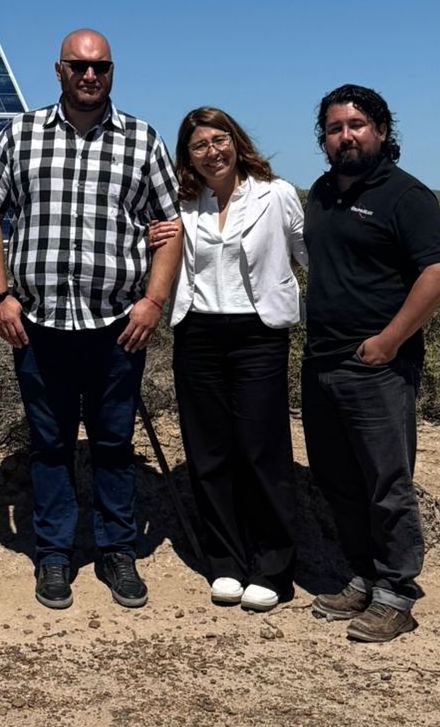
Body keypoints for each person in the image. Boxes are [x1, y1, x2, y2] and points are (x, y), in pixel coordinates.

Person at [0, 28, 181, 610]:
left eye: (101, 67)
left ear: (111, 73)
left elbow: (171, 229)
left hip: (119, 325)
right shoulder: (22, 135)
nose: (91, 76)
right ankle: (55, 555)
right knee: (49, 444)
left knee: (115, 444)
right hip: (38, 325)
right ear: (59, 70)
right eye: (79, 66)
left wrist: (153, 302)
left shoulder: (141, 141)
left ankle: (117, 550)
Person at [302, 83, 440, 642]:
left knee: (386, 482)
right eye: (335, 127)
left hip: (376, 366)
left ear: (382, 131)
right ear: (324, 138)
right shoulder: (319, 192)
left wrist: (389, 340)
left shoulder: (405, 195)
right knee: (338, 478)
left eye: (357, 125)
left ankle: (397, 593)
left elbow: (437, 274)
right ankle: (363, 577)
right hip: (321, 359)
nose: (346, 135)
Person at [150, 107, 307, 612]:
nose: (212, 151)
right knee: (208, 449)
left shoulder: (275, 195)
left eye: (220, 140)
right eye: (200, 145)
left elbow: (311, 254)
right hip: (197, 329)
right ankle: (224, 559)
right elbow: (165, 260)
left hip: (257, 331)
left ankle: (274, 566)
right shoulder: (183, 204)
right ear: (188, 156)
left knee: (261, 449)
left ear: (237, 142)